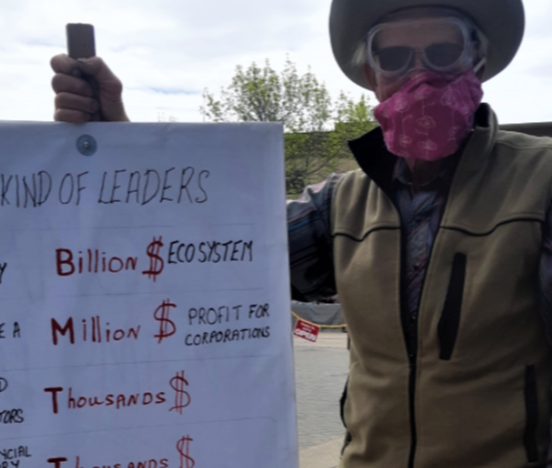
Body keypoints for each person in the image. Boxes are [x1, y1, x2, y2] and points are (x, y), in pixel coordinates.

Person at [51, 0, 552, 466]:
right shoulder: (340, 203)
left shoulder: (542, 183)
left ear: (478, 65)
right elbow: (206, 253)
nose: (419, 75)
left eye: (443, 53)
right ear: (370, 75)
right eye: (395, 56)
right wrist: (118, 140)